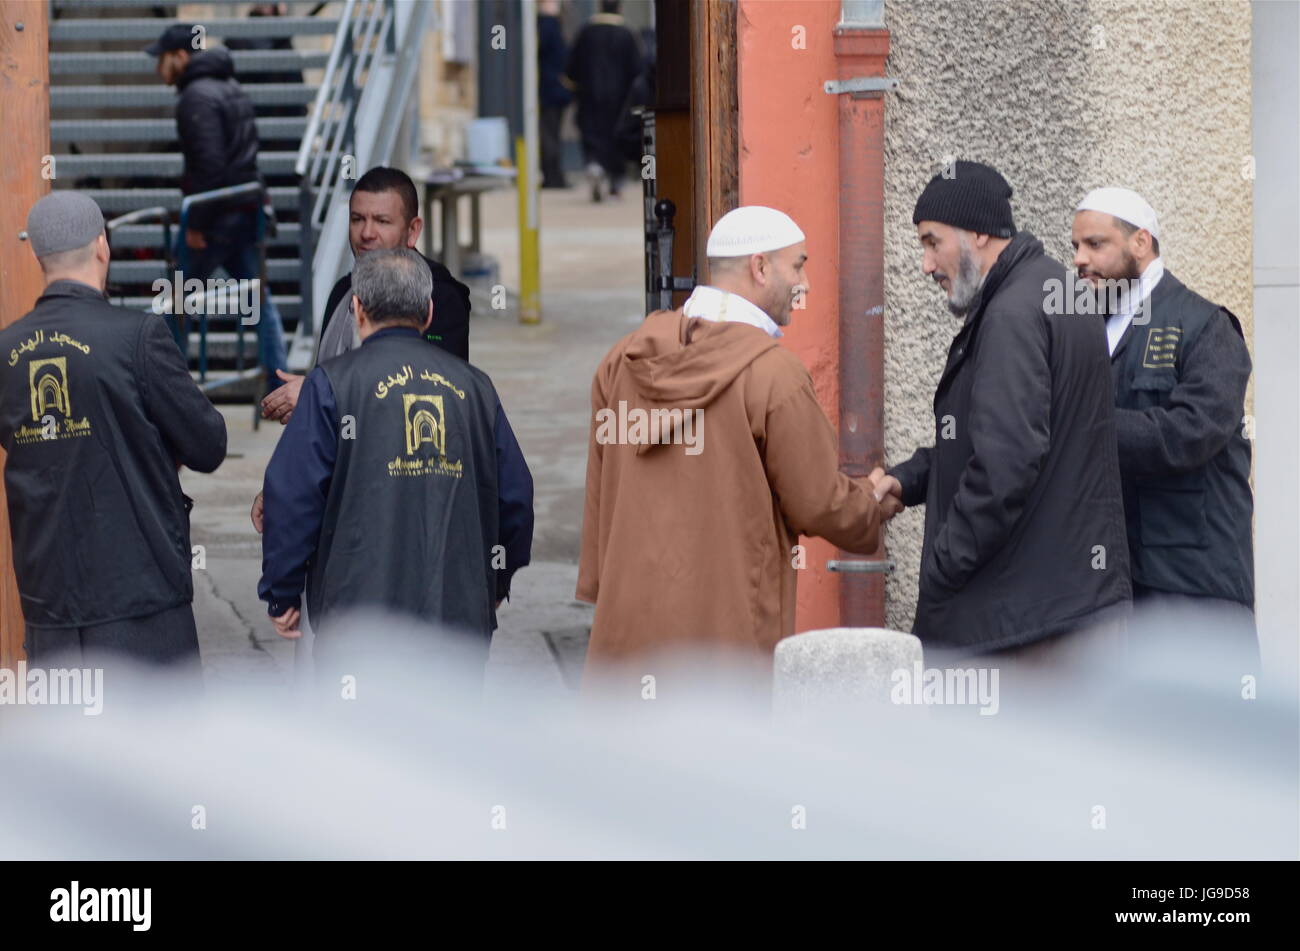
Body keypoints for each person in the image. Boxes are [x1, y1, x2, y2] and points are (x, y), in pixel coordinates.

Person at [577, 206, 900, 686]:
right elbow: (817, 501)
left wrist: (601, 587)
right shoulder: (773, 375)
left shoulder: (621, 362)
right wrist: (871, 503)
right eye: (798, 265)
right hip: (725, 645)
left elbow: (600, 500)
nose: (805, 283)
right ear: (760, 266)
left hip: (629, 637)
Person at [881, 161, 1131, 663]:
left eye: (933, 243)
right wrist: (908, 480)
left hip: (1021, 631)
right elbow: (1005, 434)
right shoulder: (1053, 291)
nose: (926, 265)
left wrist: (943, 568)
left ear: (977, 232)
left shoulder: (1012, 314)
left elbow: (1006, 463)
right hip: (1066, 613)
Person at [258, 249, 532, 668]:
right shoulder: (476, 389)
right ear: (428, 312)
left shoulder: (331, 386)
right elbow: (514, 497)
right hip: (457, 621)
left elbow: (293, 496)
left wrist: (282, 589)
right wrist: (495, 580)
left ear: (358, 309)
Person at [0, 192, 227, 678]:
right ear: (102, 246)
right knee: (158, 747)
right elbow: (208, 445)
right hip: (142, 598)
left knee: (67, 752)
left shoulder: (6, 351)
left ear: (38, 257)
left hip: (50, 602)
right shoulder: (138, 337)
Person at [1071, 187, 1255, 667]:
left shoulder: (1205, 325)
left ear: (1141, 243)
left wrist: (1079, 428)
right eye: (1075, 248)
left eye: (1095, 245)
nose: (1080, 260)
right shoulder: (1086, 329)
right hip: (1110, 589)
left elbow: (1189, 433)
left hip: (1194, 588)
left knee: (1207, 737)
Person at [146, 22, 288, 395]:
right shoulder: (229, 86)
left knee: (175, 296)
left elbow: (210, 167)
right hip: (244, 211)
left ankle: (171, 389)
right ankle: (280, 384)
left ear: (179, 56)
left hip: (216, 217)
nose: (158, 68)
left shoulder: (195, 97)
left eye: (161, 59)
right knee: (259, 298)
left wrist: (196, 224)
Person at [563, 0, 642, 201]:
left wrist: (574, 86)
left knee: (592, 133)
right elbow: (636, 70)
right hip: (620, 98)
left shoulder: (586, 32)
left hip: (590, 95)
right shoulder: (627, 34)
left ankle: (594, 164)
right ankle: (616, 182)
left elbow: (572, 66)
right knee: (615, 137)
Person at [538, 0, 572, 189]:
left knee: (551, 135)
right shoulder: (548, 24)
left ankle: (553, 175)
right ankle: (553, 177)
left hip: (552, 89)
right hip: (550, 89)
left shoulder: (551, 24)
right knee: (550, 135)